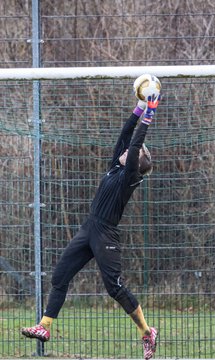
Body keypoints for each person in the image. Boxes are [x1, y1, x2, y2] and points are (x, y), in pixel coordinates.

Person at [21, 76, 161, 360]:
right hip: (89, 229)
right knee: (60, 275)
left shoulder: (131, 175)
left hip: (106, 234)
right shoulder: (115, 168)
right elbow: (126, 138)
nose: (124, 152)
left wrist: (150, 113)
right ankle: (45, 327)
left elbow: (134, 146)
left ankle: (147, 332)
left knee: (115, 288)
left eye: (133, 154)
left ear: (138, 162)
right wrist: (137, 109)